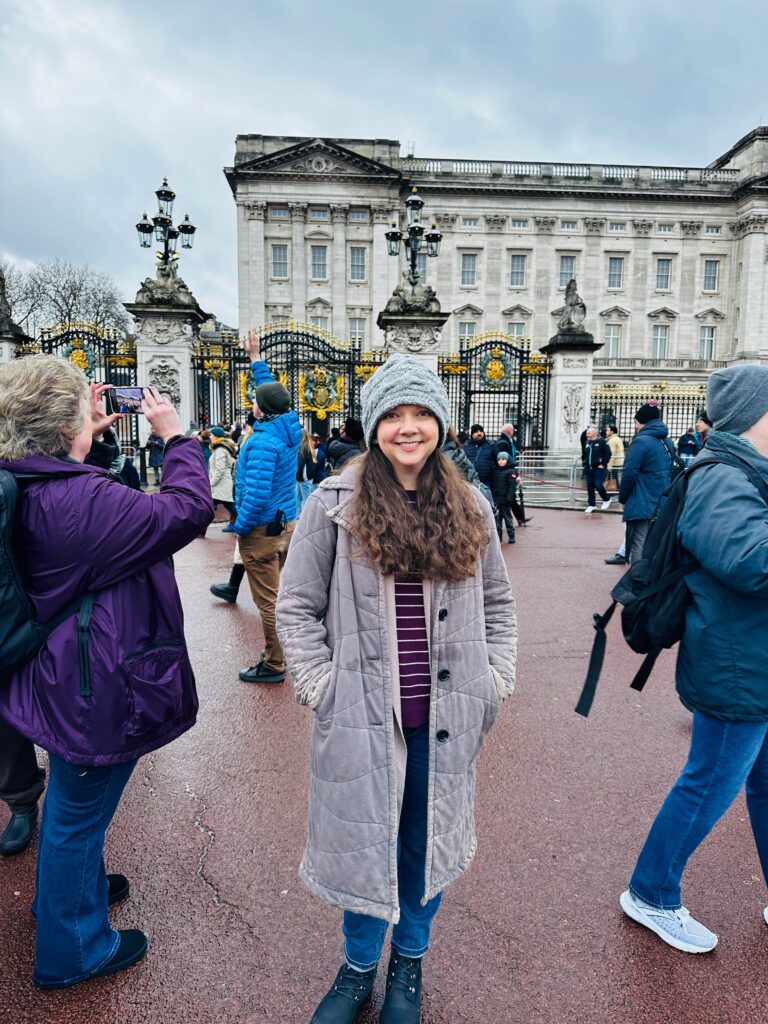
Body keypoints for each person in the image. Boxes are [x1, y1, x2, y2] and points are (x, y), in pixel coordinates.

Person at [276, 354, 516, 1024]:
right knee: (364, 846)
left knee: (422, 846)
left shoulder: (470, 503)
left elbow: (499, 603)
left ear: (439, 422)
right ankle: (357, 969)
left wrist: (496, 680)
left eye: (420, 415)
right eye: (393, 415)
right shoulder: (332, 503)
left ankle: (408, 962)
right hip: (362, 717)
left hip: (445, 719)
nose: (407, 428)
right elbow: (294, 606)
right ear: (374, 423)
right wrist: (320, 685)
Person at [0, 356, 213, 989]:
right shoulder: (77, 501)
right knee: (77, 814)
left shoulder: (31, 477)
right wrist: (176, 436)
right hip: (91, 681)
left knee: (74, 804)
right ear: (62, 423)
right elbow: (186, 509)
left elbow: (81, 497)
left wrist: (87, 433)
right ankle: (73, 947)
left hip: (61, 670)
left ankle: (72, 892)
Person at [620, 364, 768, 954]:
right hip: (736, 667)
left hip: (751, 658)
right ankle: (650, 892)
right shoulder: (721, 475)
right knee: (708, 782)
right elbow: (750, 561)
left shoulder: (744, 470)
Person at [234, 332, 302, 685]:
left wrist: (240, 526)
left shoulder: (262, 441)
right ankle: (285, 651)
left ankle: (275, 663)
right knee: (283, 597)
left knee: (269, 603)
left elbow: (257, 494)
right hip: (284, 524)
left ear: (261, 409)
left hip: (260, 529)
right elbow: (271, 390)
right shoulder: (290, 425)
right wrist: (256, 358)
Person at [618, 401, 673, 563]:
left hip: (642, 497)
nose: (635, 426)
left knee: (638, 540)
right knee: (653, 541)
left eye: (636, 421)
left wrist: (623, 497)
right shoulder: (666, 441)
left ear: (642, 421)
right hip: (661, 497)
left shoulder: (641, 441)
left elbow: (629, 473)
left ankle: (636, 579)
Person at [208, 425, 238, 531]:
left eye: (211, 435)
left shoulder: (220, 449)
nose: (210, 437)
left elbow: (220, 470)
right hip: (221, 484)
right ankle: (201, 530)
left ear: (216, 436)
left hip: (221, 484)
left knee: (228, 506)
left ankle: (241, 524)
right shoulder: (220, 448)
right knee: (210, 508)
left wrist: (211, 483)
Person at [582, 426, 613, 513]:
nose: (587, 434)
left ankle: (606, 499)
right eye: (587, 433)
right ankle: (591, 505)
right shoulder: (587, 442)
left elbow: (608, 454)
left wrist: (603, 464)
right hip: (588, 469)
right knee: (590, 487)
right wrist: (584, 464)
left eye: (589, 433)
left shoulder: (602, 442)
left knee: (598, 485)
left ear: (595, 433)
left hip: (599, 469)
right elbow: (584, 455)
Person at [491, 449, 518, 543]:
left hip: (506, 500)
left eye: (503, 459)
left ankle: (511, 536)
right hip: (497, 499)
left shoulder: (511, 471)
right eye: (499, 459)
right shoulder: (495, 471)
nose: (501, 461)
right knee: (498, 520)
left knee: (508, 519)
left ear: (507, 460)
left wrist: (509, 498)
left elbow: (512, 486)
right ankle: (499, 537)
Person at [296, 427, 317, 515]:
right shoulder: (308, 446)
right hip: (305, 477)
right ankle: (297, 517)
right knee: (299, 498)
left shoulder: (303, 447)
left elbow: (300, 463)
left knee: (304, 499)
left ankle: (304, 517)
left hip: (303, 477)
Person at [605, 424, 624, 493]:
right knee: (615, 478)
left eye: (607, 430)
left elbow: (611, 454)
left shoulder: (612, 440)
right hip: (618, 462)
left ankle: (615, 493)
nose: (606, 432)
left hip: (614, 462)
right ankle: (615, 492)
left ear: (612, 432)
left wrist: (609, 466)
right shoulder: (617, 438)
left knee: (614, 478)